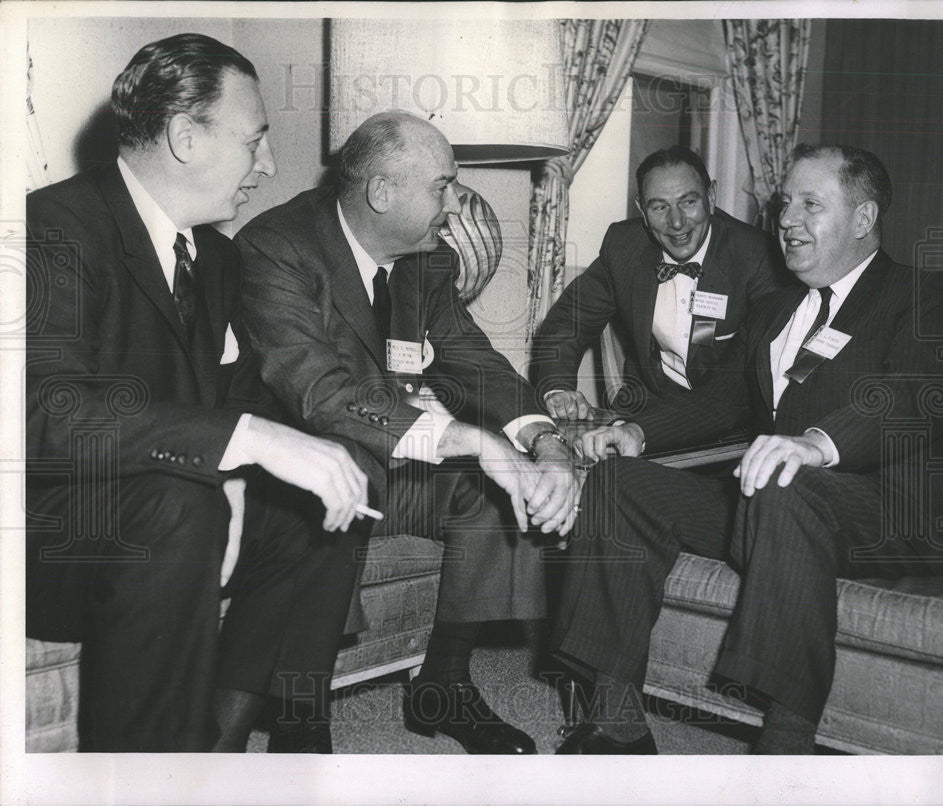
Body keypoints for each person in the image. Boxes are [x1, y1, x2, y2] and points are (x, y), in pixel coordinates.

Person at [550, 144, 943, 754]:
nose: (787, 220)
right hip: (783, 509)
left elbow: (914, 395)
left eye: (810, 204)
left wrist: (815, 443)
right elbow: (726, 396)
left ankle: (784, 751)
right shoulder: (778, 308)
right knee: (623, 482)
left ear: (863, 218)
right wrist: (640, 433)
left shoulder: (928, 292)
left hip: (895, 513)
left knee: (784, 484)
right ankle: (616, 719)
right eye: (784, 204)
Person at [26, 33, 380, 753]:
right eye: (256, 141)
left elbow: (238, 394)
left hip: (163, 506)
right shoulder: (53, 228)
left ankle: (247, 740)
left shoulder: (213, 256)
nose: (271, 166)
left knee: (332, 486)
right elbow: (43, 418)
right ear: (186, 137)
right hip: (51, 531)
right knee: (179, 505)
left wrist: (284, 452)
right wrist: (238, 446)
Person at [235, 110, 579, 755]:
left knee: (492, 490)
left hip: (396, 464)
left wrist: (544, 441)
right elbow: (319, 393)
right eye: (442, 187)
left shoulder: (426, 263)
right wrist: (469, 439)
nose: (453, 207)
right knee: (345, 477)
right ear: (383, 192)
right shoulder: (277, 248)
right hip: (299, 477)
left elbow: (471, 358)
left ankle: (442, 685)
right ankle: (299, 712)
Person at [530, 146, 785, 456]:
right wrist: (558, 390)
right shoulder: (624, 246)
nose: (676, 222)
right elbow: (568, 322)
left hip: (732, 433)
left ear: (712, 196)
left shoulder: (758, 257)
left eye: (688, 202)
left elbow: (750, 382)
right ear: (641, 209)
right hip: (646, 411)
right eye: (659, 207)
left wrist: (644, 432)